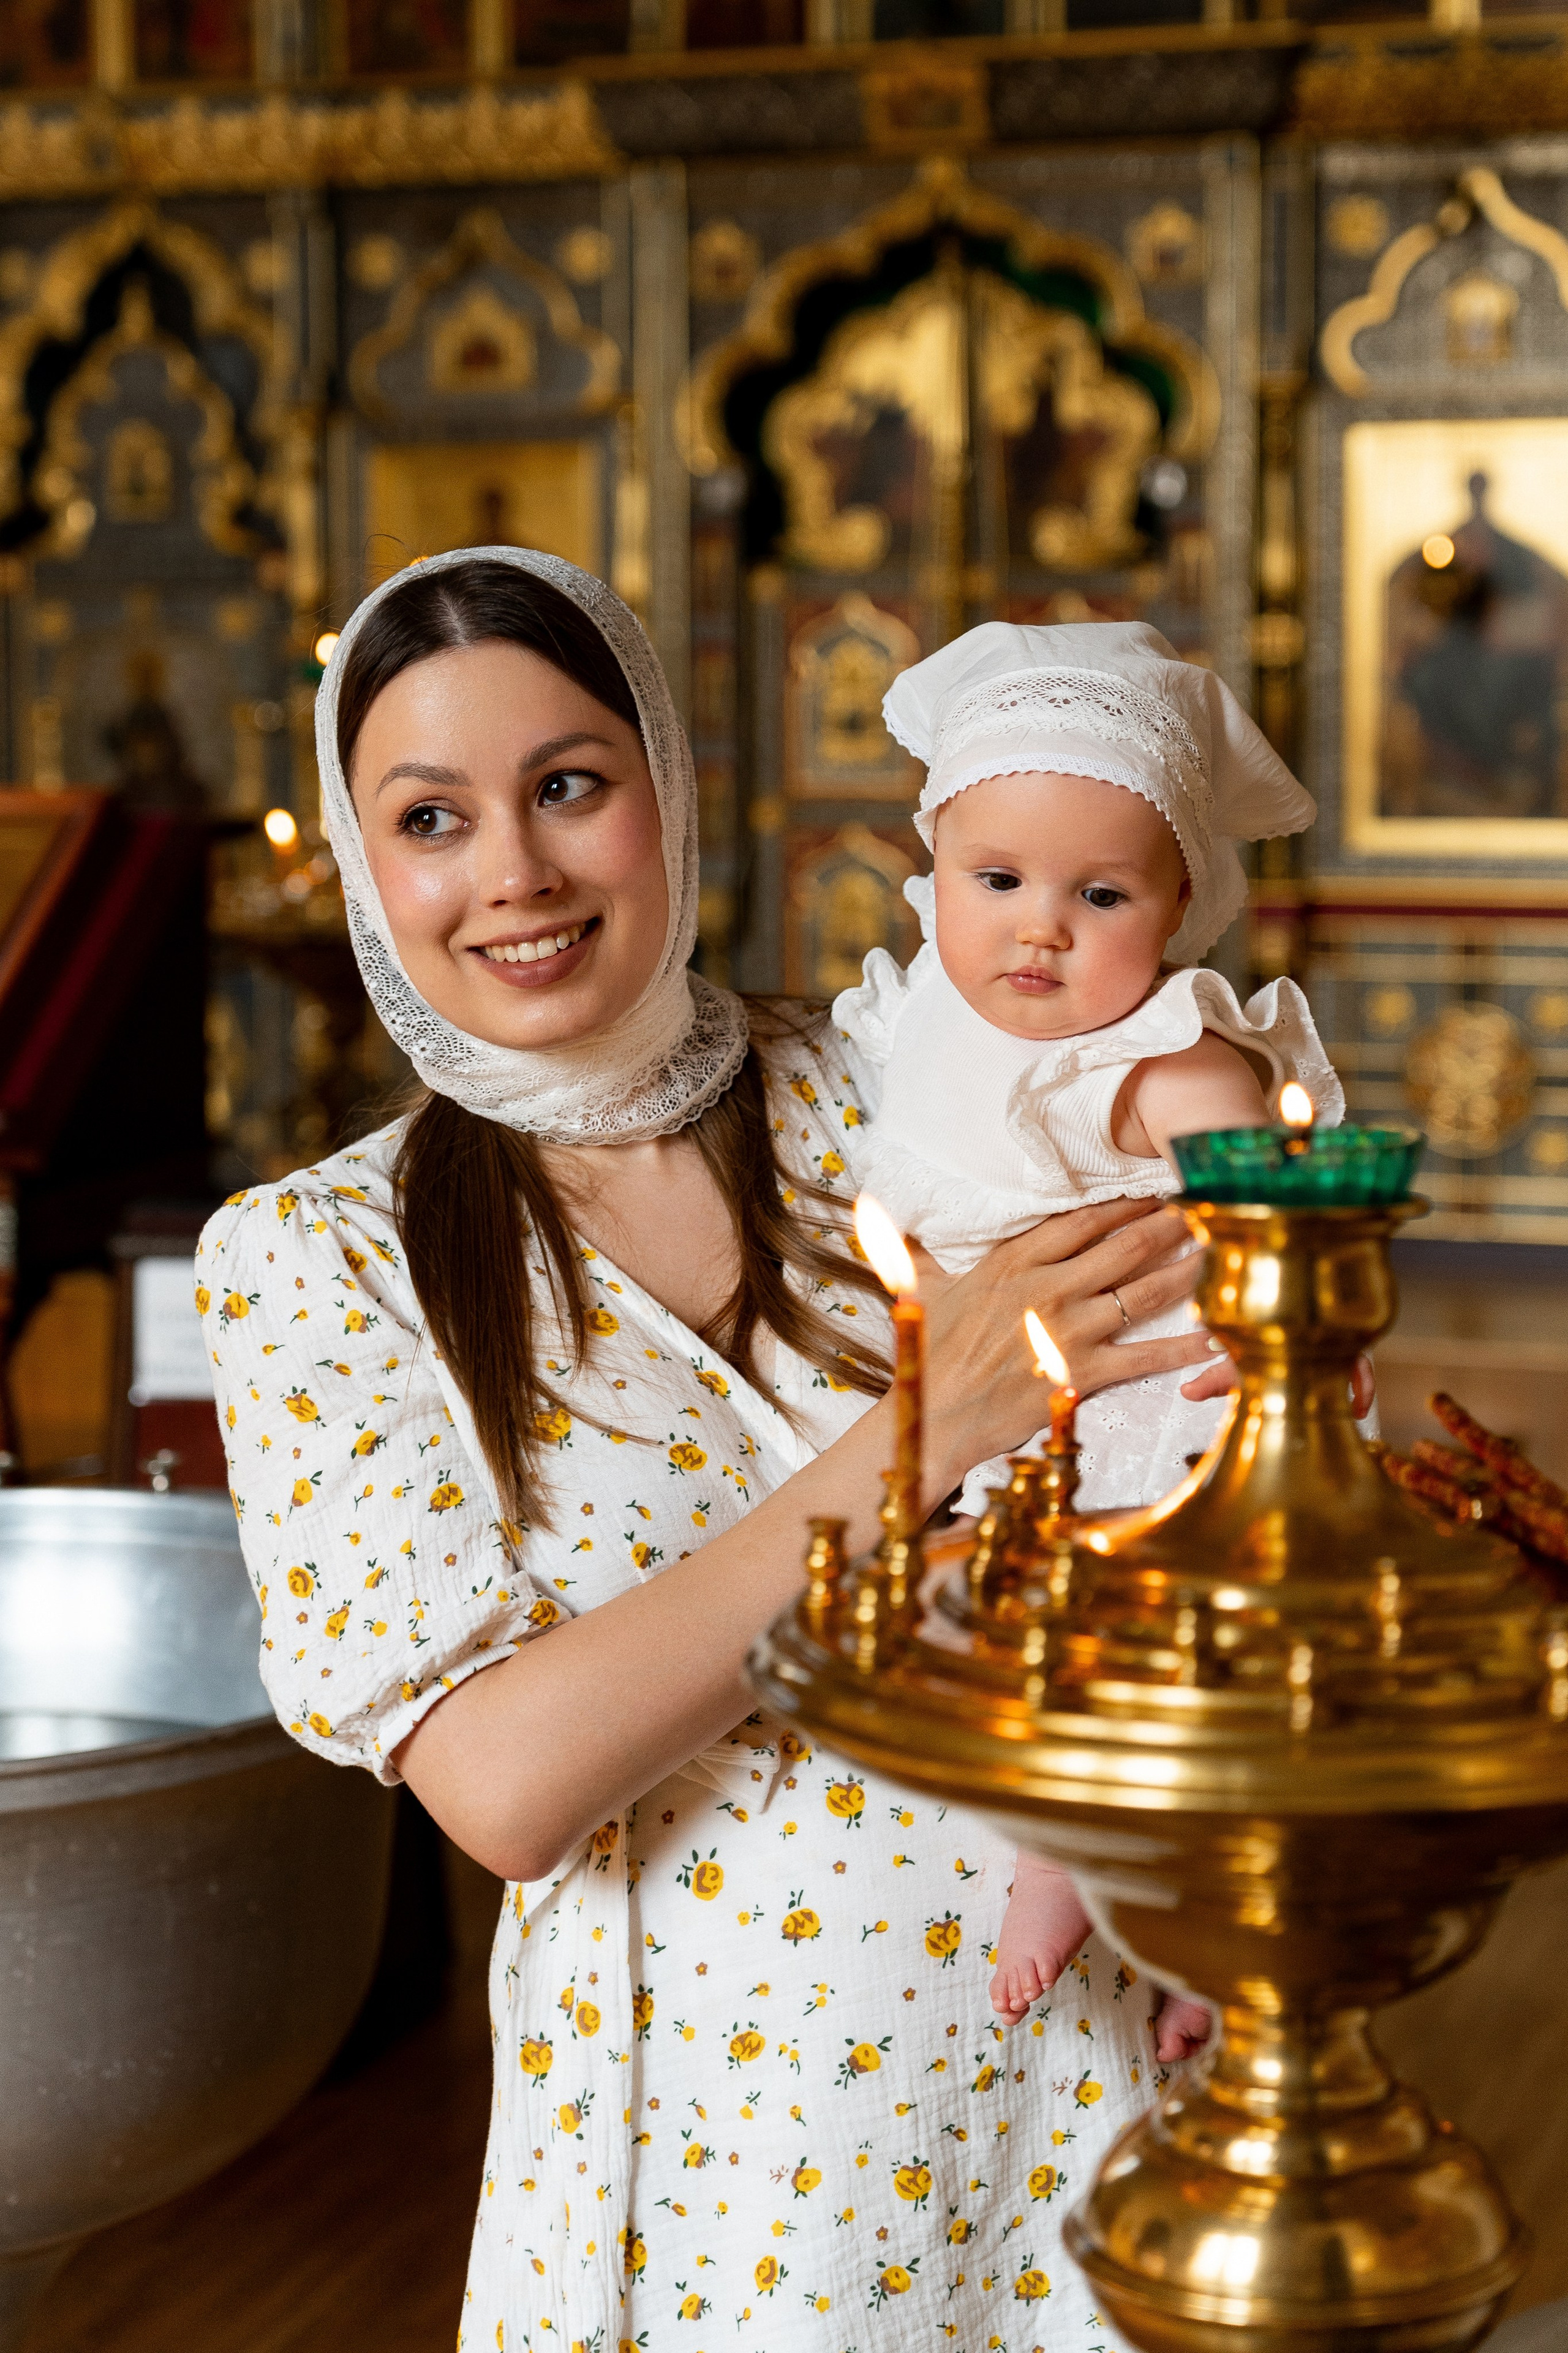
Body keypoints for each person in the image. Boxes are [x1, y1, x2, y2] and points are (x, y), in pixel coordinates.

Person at [197, 551, 1222, 2353]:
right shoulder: (319, 1259)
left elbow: (1192, 1434)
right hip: (731, 2181)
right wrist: (920, 1439)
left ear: (668, 787)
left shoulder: (915, 1086)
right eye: (432, 817)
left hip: (1094, 2061)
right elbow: (505, 1789)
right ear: (369, 867)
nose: (512, 870)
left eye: (569, 785)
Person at [831, 622, 1359, 2039]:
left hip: (1155, 1402)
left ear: (1180, 906)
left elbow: (1268, 1192)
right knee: (1032, 1648)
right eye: (992, 878)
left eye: (1099, 891)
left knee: (1182, 1664)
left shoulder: (1158, 1052)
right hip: (1014, 1404)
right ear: (931, 864)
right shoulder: (924, 1016)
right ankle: (1085, 1863)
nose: (1036, 925)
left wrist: (1301, 1324)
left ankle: (1182, 1923)